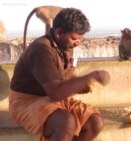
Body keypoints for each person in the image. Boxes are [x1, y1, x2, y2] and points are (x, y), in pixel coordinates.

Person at [9, 8, 110, 141]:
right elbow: (56, 92)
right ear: (59, 33)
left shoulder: (66, 46)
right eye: (74, 38)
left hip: (52, 100)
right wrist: (91, 76)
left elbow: (63, 81)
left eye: (80, 39)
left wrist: (80, 85)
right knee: (66, 122)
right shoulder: (41, 49)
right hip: (27, 102)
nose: (78, 43)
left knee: (94, 123)